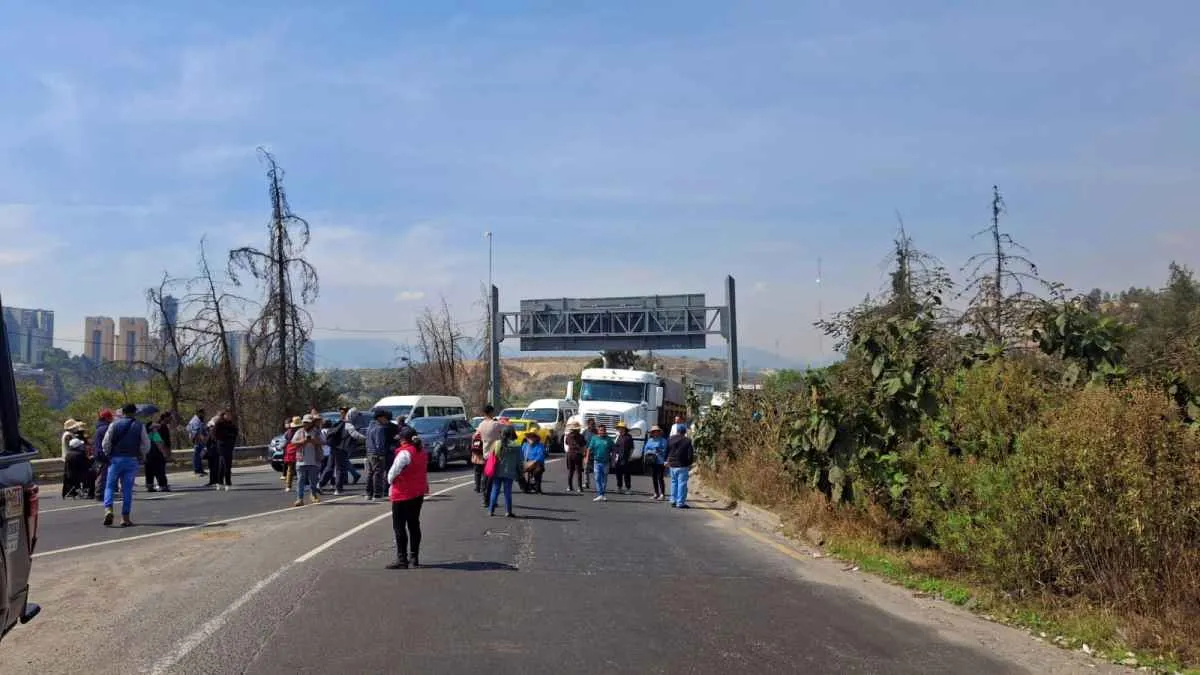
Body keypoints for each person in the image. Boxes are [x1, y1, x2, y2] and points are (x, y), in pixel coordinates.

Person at [386, 428, 429, 569]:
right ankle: (414, 556)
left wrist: (390, 483)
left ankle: (402, 558)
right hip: (418, 492)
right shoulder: (421, 451)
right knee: (414, 524)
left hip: (403, 493)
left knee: (399, 526)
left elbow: (392, 474)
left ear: (404, 439)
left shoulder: (405, 453)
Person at [101, 403, 150, 527]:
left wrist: (108, 454)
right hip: (132, 460)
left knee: (110, 486)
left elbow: (105, 442)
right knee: (127, 489)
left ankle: (108, 509)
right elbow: (146, 444)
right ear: (135, 412)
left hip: (116, 459)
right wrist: (142, 454)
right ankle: (125, 518)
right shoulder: (140, 426)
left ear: (123, 412)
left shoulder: (114, 424)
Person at [322, 407, 366, 495]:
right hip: (341, 448)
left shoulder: (341, 422)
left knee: (330, 467)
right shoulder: (348, 424)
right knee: (339, 469)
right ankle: (338, 489)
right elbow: (354, 435)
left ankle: (320, 484)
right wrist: (366, 438)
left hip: (334, 447)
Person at [365, 408, 397, 502]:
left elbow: (367, 441)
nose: (386, 420)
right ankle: (377, 494)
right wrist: (381, 454)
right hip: (377, 453)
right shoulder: (380, 428)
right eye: (384, 418)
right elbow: (379, 443)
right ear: (380, 418)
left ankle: (368, 493)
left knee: (370, 473)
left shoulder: (370, 427)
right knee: (378, 474)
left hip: (369, 452)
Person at [488, 430, 522, 517]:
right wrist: (520, 471)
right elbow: (519, 460)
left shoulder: (497, 444)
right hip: (510, 472)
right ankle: (508, 511)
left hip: (497, 471)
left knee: (495, 490)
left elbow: (490, 456)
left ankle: (491, 510)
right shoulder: (517, 445)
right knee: (508, 492)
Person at [293, 415, 323, 506]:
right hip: (301, 460)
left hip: (313, 460)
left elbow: (323, 441)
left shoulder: (317, 432)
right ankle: (300, 498)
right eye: (304, 422)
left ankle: (313, 495)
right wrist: (303, 441)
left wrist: (314, 441)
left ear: (311, 423)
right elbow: (293, 442)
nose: (305, 424)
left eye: (307, 422)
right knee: (300, 481)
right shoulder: (299, 432)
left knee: (313, 480)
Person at [474, 405, 504, 496]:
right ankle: (488, 496)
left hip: (485, 453)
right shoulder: (495, 424)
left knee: (486, 474)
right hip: (495, 453)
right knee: (494, 477)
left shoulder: (481, 424)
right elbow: (505, 431)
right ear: (491, 412)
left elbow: (476, 436)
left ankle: (485, 494)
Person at [666, 425, 695, 509]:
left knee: (674, 482)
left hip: (672, 464)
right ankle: (680, 503)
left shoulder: (670, 439)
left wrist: (666, 461)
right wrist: (689, 464)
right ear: (685, 432)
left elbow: (667, 450)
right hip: (682, 465)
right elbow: (690, 454)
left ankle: (673, 500)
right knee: (682, 483)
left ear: (677, 431)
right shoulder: (687, 440)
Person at [145, 412, 172, 493]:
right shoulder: (157, 431)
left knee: (149, 469)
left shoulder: (147, 432)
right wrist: (165, 453)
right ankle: (163, 485)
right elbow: (159, 443)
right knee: (160, 469)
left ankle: (149, 485)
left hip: (148, 453)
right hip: (157, 453)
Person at [587, 424, 615, 502]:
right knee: (597, 478)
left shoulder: (609, 440)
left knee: (604, 479)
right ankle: (600, 494)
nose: (602, 432)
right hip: (596, 461)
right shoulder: (594, 438)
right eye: (600, 430)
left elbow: (614, 450)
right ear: (598, 431)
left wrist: (613, 460)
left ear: (605, 431)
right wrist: (586, 458)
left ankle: (602, 494)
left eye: (603, 430)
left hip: (606, 462)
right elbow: (589, 449)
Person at [212, 410, 238, 491]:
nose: (229, 416)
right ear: (223, 415)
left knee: (222, 465)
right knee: (227, 464)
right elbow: (215, 435)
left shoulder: (231, 424)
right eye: (228, 415)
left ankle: (219, 482)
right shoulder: (219, 424)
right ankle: (228, 483)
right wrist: (227, 436)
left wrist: (231, 437)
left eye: (230, 415)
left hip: (229, 446)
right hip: (222, 446)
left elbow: (235, 432)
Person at [93, 409, 115, 502]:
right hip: (103, 454)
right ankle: (99, 493)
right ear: (106, 418)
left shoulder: (99, 428)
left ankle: (100, 492)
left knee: (102, 474)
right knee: (103, 475)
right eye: (110, 417)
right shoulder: (106, 428)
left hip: (98, 453)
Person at [644, 425, 669, 501]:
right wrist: (652, 451)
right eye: (653, 432)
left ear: (659, 432)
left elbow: (665, 450)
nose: (655, 433)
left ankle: (662, 494)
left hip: (660, 461)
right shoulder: (650, 440)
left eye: (656, 431)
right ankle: (656, 493)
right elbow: (645, 449)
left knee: (660, 478)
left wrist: (658, 451)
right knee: (654, 477)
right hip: (651, 460)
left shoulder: (663, 440)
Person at [563, 419, 587, 494]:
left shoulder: (568, 436)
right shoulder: (580, 436)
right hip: (578, 454)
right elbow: (583, 444)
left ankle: (569, 486)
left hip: (570, 454)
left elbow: (566, 443)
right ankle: (579, 487)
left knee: (570, 471)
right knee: (578, 471)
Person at [281, 417, 303, 492]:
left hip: (293, 450)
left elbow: (285, 441)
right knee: (294, 469)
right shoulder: (299, 431)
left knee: (292, 469)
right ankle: (290, 485)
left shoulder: (289, 432)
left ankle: (289, 486)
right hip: (295, 450)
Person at [613, 422, 634, 495]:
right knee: (618, 473)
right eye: (619, 428)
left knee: (626, 474)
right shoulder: (618, 436)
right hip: (617, 458)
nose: (620, 429)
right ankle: (619, 487)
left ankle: (628, 488)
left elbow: (631, 448)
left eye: (621, 428)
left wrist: (630, 457)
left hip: (625, 458)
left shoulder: (629, 437)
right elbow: (615, 446)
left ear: (624, 429)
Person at [187, 409, 208, 477]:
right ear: (199, 413)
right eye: (203, 413)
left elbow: (202, 429)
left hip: (200, 440)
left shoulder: (199, 419)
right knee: (197, 455)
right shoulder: (195, 420)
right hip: (197, 440)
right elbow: (196, 431)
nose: (204, 415)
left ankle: (200, 469)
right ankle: (197, 470)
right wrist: (201, 438)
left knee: (200, 455)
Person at [582, 417, 598, 490]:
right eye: (591, 424)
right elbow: (581, 442)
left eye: (593, 424)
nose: (592, 425)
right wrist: (583, 450)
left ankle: (598, 483)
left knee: (596, 470)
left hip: (595, 453)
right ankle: (586, 482)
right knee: (586, 469)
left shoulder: (597, 432)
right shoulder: (585, 432)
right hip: (586, 453)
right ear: (588, 424)